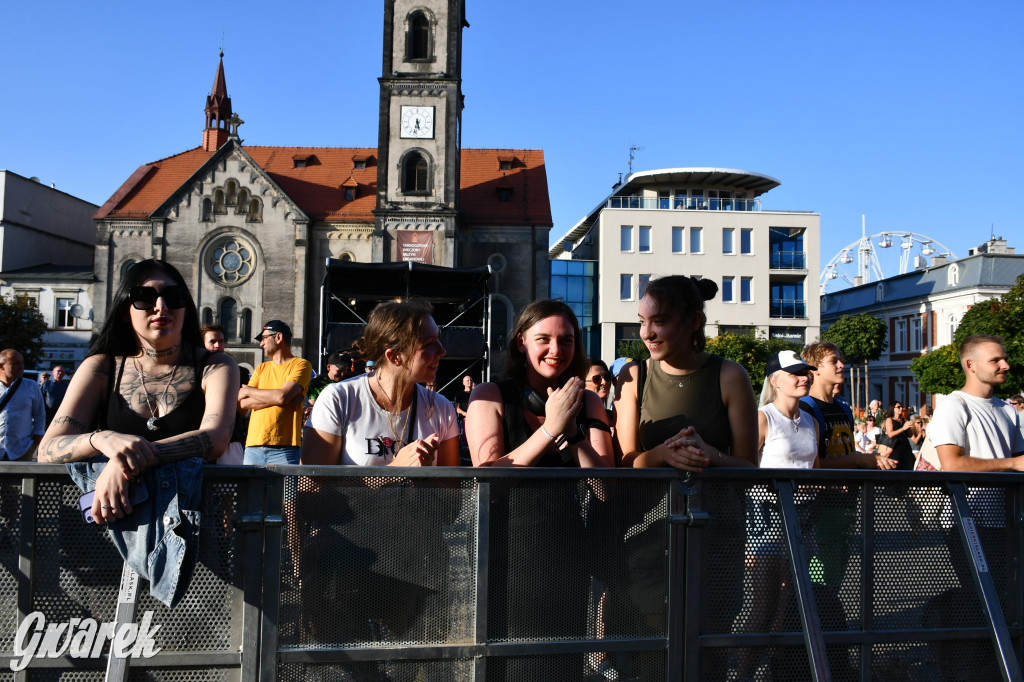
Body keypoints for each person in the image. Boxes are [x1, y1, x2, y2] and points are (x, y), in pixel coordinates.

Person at [37, 259, 238, 521]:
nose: (161, 307)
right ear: (124, 310)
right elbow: (47, 450)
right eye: (144, 297)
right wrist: (101, 439)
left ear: (185, 308)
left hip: (191, 522)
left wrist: (124, 462)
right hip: (114, 524)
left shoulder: (215, 366)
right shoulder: (101, 368)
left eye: (174, 296)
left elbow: (215, 439)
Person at [735, 350, 820, 680]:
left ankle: (774, 672)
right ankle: (743, 674)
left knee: (787, 604)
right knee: (763, 605)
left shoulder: (810, 419)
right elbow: (744, 468)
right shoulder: (763, 417)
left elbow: (812, 468)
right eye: (795, 372)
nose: (804, 377)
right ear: (775, 380)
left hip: (803, 519)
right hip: (767, 518)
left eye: (806, 372)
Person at [615, 275, 757, 470]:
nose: (646, 333)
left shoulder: (730, 375)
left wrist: (710, 455)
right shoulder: (633, 375)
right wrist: (661, 454)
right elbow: (623, 463)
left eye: (659, 321)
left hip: (715, 501)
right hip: (651, 501)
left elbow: (750, 468)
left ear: (694, 321)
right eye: (642, 322)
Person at [302, 299, 459, 467]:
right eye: (429, 344)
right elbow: (310, 488)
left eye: (438, 340)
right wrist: (395, 471)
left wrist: (427, 476)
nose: (442, 351)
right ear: (394, 357)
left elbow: (451, 489)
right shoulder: (339, 399)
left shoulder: (441, 408)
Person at [465, 299, 613, 468]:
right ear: (521, 342)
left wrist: (574, 435)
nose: (556, 350)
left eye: (566, 341)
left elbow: (605, 491)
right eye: (543, 339)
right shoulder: (489, 396)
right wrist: (549, 429)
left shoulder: (589, 400)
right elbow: (490, 486)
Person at [930, 335, 1024, 471]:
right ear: (970, 365)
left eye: (1005, 359)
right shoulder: (953, 406)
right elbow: (951, 465)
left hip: (1006, 492)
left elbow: (1019, 460)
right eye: (995, 360)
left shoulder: (1007, 409)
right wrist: (1012, 463)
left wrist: (1014, 463)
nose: (1005, 366)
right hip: (969, 493)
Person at [239, 320, 311, 466]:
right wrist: (281, 398)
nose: (261, 343)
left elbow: (282, 396)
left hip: (285, 448)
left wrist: (251, 391)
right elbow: (242, 403)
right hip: (253, 446)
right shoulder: (261, 368)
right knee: (252, 490)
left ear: (278, 337)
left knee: (286, 490)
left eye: (264, 338)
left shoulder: (301, 365)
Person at [1, 350, 46, 462]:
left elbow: (39, 415)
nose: (21, 367)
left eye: (22, 363)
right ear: (2, 366)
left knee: (21, 480)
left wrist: (36, 442)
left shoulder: (31, 386)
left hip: (22, 449)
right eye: (16, 363)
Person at [883, 401, 915, 469]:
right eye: (898, 407)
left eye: (901, 407)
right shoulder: (890, 419)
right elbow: (890, 434)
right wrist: (903, 428)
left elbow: (911, 436)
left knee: (909, 467)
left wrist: (910, 427)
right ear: (893, 409)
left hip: (906, 447)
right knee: (897, 468)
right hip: (896, 448)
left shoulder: (903, 420)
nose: (901, 408)